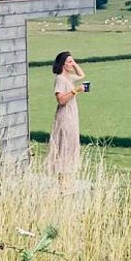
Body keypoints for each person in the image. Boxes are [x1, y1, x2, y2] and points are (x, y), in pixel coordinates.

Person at [46, 51, 85, 193]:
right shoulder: (60, 79)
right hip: (65, 116)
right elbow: (61, 100)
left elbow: (82, 75)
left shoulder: (69, 77)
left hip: (72, 115)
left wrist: (74, 63)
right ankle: (62, 181)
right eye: (69, 62)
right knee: (64, 145)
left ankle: (67, 179)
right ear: (62, 64)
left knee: (72, 144)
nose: (72, 64)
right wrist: (75, 91)